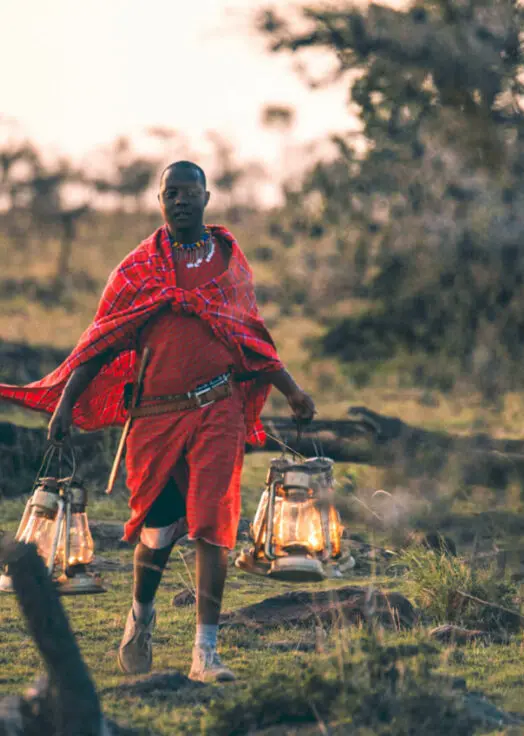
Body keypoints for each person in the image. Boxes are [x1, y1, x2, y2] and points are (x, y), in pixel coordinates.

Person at [0, 161, 315, 683]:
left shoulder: (230, 265)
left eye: (190, 192)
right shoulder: (138, 270)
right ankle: (141, 615)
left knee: (213, 526)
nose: (181, 201)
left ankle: (205, 653)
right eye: (172, 193)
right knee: (160, 527)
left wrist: (293, 390)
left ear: (207, 197)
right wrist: (63, 405)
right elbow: (100, 341)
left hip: (218, 409)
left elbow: (251, 338)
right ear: (160, 200)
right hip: (155, 417)